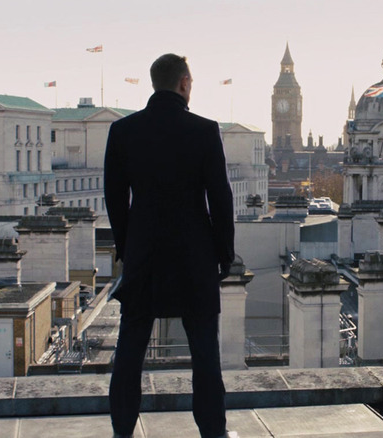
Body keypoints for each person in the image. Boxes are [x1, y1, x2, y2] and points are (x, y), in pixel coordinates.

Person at [104, 53, 236, 438]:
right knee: (205, 357)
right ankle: (214, 433)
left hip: (144, 255)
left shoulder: (123, 131)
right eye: (191, 82)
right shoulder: (205, 130)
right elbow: (221, 198)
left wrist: (129, 247)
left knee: (129, 353)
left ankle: (122, 432)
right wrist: (223, 254)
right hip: (195, 256)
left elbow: (115, 199)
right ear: (183, 83)